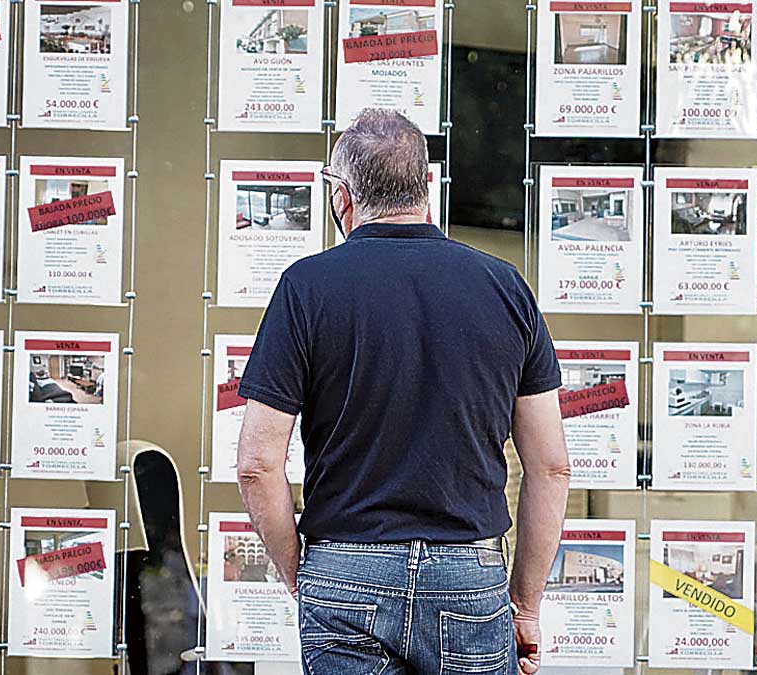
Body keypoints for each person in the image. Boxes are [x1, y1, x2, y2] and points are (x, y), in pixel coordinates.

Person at [235, 108, 570, 675]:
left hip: (344, 568)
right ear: (428, 189)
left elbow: (256, 465)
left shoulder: (306, 288)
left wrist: (304, 574)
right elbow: (551, 467)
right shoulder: (505, 288)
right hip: (469, 576)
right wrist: (525, 605)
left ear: (342, 197)